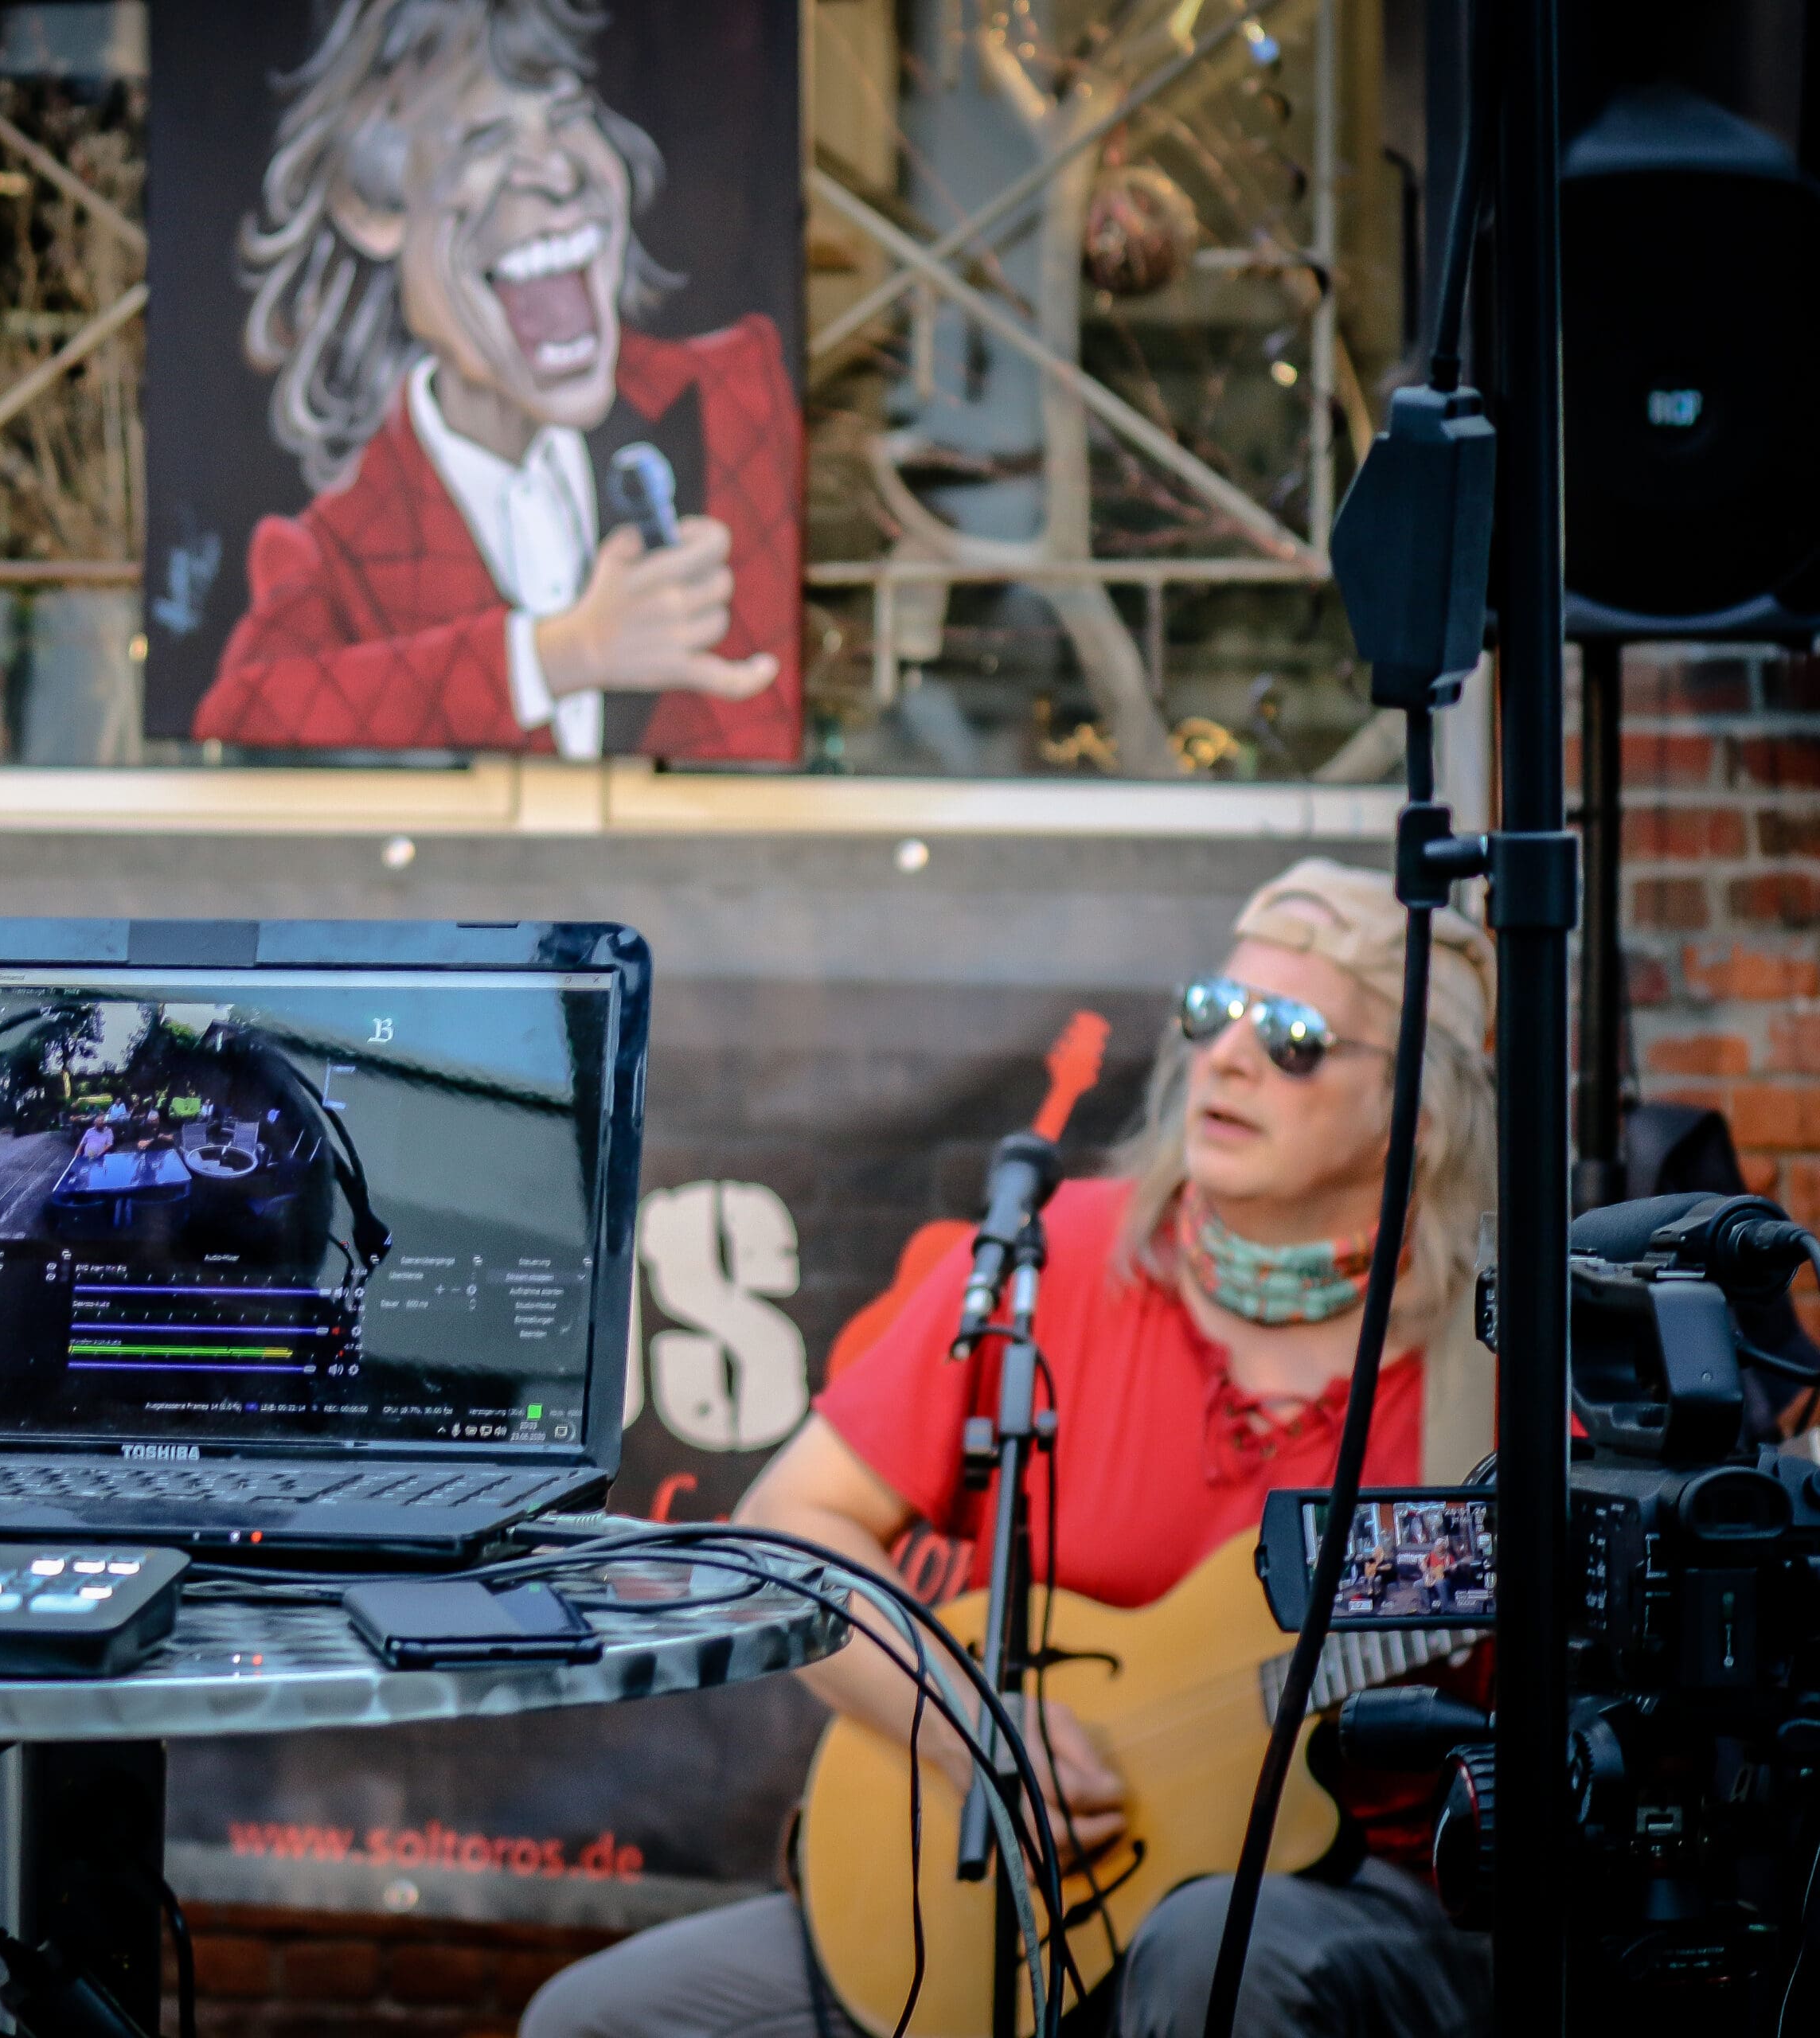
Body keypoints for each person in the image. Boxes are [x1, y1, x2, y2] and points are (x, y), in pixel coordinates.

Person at [523, 859, 1500, 2038]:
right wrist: (977, 1723)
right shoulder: (1064, 1257)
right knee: (595, 2021)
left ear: (1420, 1112)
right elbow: (791, 1532)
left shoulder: (1487, 1366)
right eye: (1210, 1014)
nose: (1227, 1058)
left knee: (1207, 1952)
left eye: (1292, 1038)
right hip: (1022, 1888)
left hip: (1354, 1907)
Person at [193, 0, 803, 760]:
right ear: (370, 206)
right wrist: (559, 654)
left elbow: (763, 719)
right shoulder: (333, 550)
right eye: (483, 138)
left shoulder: (733, 397)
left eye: (568, 113)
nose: (556, 174)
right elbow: (240, 710)